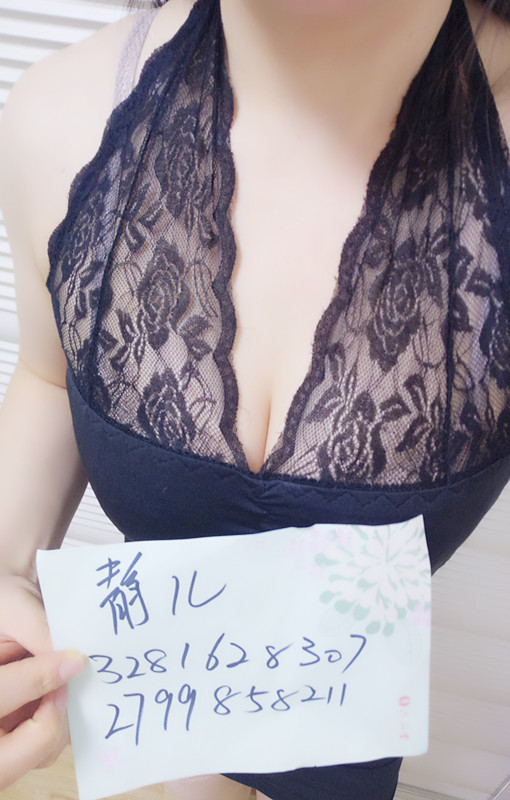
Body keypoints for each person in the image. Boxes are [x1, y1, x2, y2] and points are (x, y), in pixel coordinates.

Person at [0, 0, 509, 798]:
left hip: (342, 726)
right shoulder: (56, 117)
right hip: (167, 711)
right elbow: (50, 374)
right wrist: (7, 569)